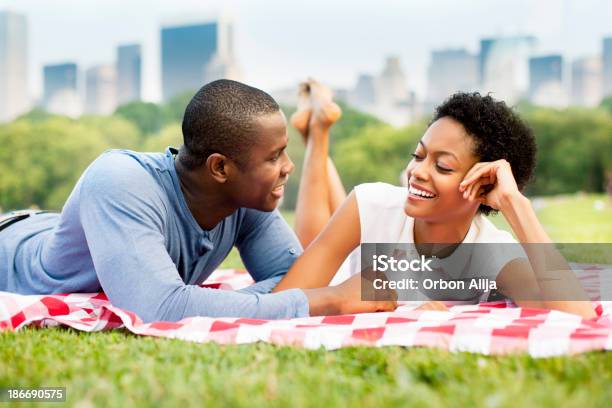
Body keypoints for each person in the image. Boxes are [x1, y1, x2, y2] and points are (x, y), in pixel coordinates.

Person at [0, 79, 396, 323]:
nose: (287, 167)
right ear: (220, 167)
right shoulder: (119, 181)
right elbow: (161, 310)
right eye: (273, 156)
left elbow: (295, 280)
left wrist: (201, 303)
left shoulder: (246, 202)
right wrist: (328, 300)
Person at [273, 80, 596, 318]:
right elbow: (285, 300)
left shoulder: (491, 253)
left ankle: (317, 127)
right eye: (418, 155)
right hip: (342, 279)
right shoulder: (371, 203)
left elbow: (577, 316)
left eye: (442, 166)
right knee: (313, 237)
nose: (417, 172)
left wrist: (516, 204)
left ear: (482, 186)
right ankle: (318, 132)